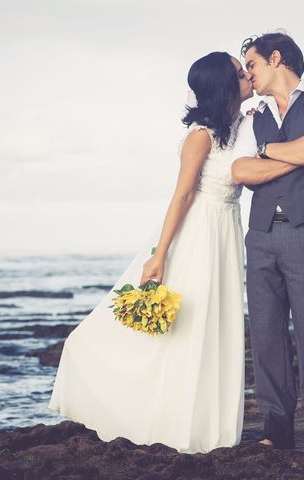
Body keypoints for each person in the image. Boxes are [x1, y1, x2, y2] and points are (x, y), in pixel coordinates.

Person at [48, 51, 253, 454]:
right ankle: (171, 421)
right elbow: (181, 195)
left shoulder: (244, 125)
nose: (248, 75)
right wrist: (160, 254)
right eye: (239, 71)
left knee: (216, 323)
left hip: (226, 230)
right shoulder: (201, 136)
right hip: (197, 234)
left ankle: (207, 424)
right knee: (189, 325)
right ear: (224, 84)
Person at [231, 32, 304, 456]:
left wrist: (268, 152)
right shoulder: (252, 115)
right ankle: (277, 431)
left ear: (276, 58)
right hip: (261, 234)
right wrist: (287, 155)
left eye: (253, 65)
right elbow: (241, 171)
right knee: (265, 335)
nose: (249, 73)